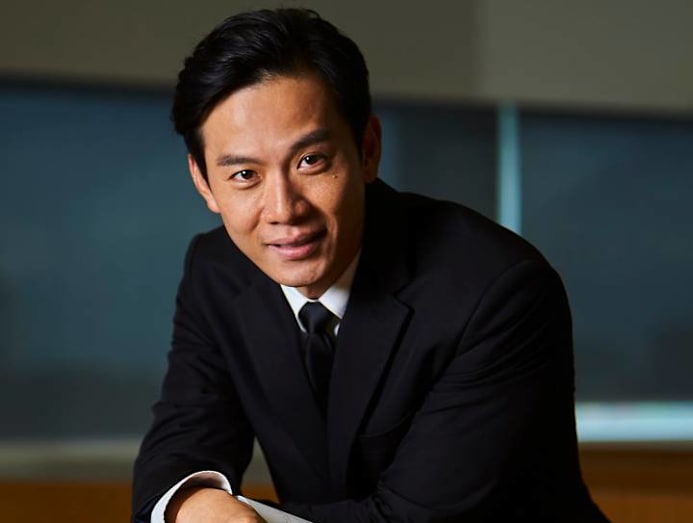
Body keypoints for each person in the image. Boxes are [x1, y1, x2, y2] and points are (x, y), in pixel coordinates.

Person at [132, 7, 609, 523]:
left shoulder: (496, 291)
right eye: (245, 174)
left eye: (310, 161)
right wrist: (189, 503)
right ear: (204, 183)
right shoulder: (217, 270)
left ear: (368, 149)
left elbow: (414, 519)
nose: (284, 210)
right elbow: (182, 442)